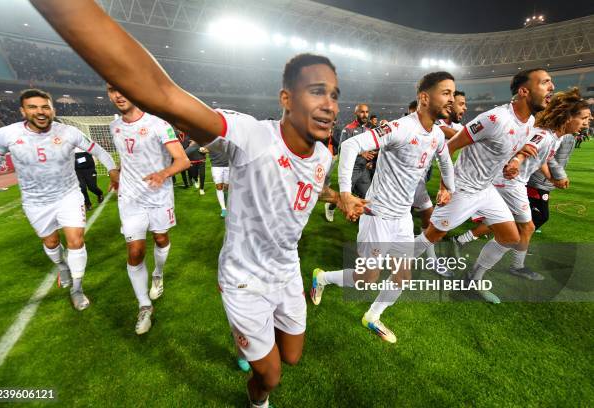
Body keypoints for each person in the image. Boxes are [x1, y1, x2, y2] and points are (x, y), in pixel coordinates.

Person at [30, 2, 364, 405]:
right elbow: (162, 93)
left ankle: (250, 344)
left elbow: (308, 186)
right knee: (271, 376)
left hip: (288, 272)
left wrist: (339, 195)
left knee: (291, 357)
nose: (330, 103)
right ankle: (257, 399)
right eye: (316, 91)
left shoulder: (323, 156)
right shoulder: (251, 136)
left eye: (334, 95)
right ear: (286, 99)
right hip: (244, 279)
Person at [311, 72, 456, 342]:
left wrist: (449, 188)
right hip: (377, 215)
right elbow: (351, 144)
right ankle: (322, 278)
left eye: (453, 93)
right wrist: (344, 194)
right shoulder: (401, 128)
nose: (452, 99)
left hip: (402, 217)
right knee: (366, 278)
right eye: (446, 93)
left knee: (403, 274)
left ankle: (373, 316)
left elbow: (445, 161)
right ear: (424, 98)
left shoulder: (436, 133)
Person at [411, 68, 555, 303]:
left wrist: (514, 161)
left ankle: (472, 280)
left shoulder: (529, 121)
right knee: (432, 236)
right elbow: (449, 147)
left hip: (486, 190)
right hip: (464, 188)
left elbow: (507, 147)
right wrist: (445, 186)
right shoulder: (495, 118)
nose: (551, 87)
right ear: (524, 91)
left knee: (510, 238)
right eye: (545, 83)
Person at [0, 88, 118, 310]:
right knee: (52, 243)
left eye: (45, 107)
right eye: (33, 107)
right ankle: (62, 266)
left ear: (53, 109)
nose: (40, 112)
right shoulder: (6, 135)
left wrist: (112, 169)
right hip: (35, 202)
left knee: (76, 240)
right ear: (22, 111)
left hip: (68, 195)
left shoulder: (68, 132)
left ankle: (77, 288)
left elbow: (99, 150)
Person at [453, 89, 590, 282]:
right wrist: (516, 162)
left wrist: (552, 178)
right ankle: (504, 268)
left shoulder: (555, 137)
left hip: (509, 182)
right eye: (583, 118)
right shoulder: (544, 135)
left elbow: (540, 158)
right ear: (567, 118)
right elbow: (528, 149)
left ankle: (467, 254)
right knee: (524, 229)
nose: (587, 122)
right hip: (509, 183)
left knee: (509, 228)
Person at [107, 83, 189, 334]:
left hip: (159, 196)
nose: (118, 94)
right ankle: (144, 306)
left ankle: (158, 273)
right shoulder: (114, 126)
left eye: (122, 88)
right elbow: (126, 156)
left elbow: (183, 160)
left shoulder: (159, 124)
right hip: (131, 198)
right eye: (112, 90)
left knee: (161, 239)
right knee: (135, 250)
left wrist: (163, 173)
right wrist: (118, 174)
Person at [411, 90, 468, 277]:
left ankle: (430, 259)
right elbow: (448, 132)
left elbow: (463, 135)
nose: (464, 108)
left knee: (428, 217)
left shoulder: (455, 126)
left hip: (417, 179)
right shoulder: (438, 124)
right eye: (460, 104)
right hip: (401, 179)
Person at [325, 103, 372, 222]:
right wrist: (361, 153)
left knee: (368, 195)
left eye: (366, 112)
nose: (365, 114)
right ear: (356, 113)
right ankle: (330, 207)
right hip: (351, 170)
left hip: (364, 170)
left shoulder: (368, 130)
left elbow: (370, 149)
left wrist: (371, 158)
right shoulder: (348, 129)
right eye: (362, 112)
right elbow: (341, 149)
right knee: (344, 197)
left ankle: (361, 218)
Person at [74, 147, 104, 211]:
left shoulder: (84, 142)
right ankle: (87, 204)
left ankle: (99, 194)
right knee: (82, 187)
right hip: (77, 170)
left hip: (89, 168)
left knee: (92, 187)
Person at [208, 140, 230, 217]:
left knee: (227, 187)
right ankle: (223, 209)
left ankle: (226, 200)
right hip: (216, 166)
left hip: (228, 166)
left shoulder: (228, 138)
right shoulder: (209, 140)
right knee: (219, 187)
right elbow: (202, 147)